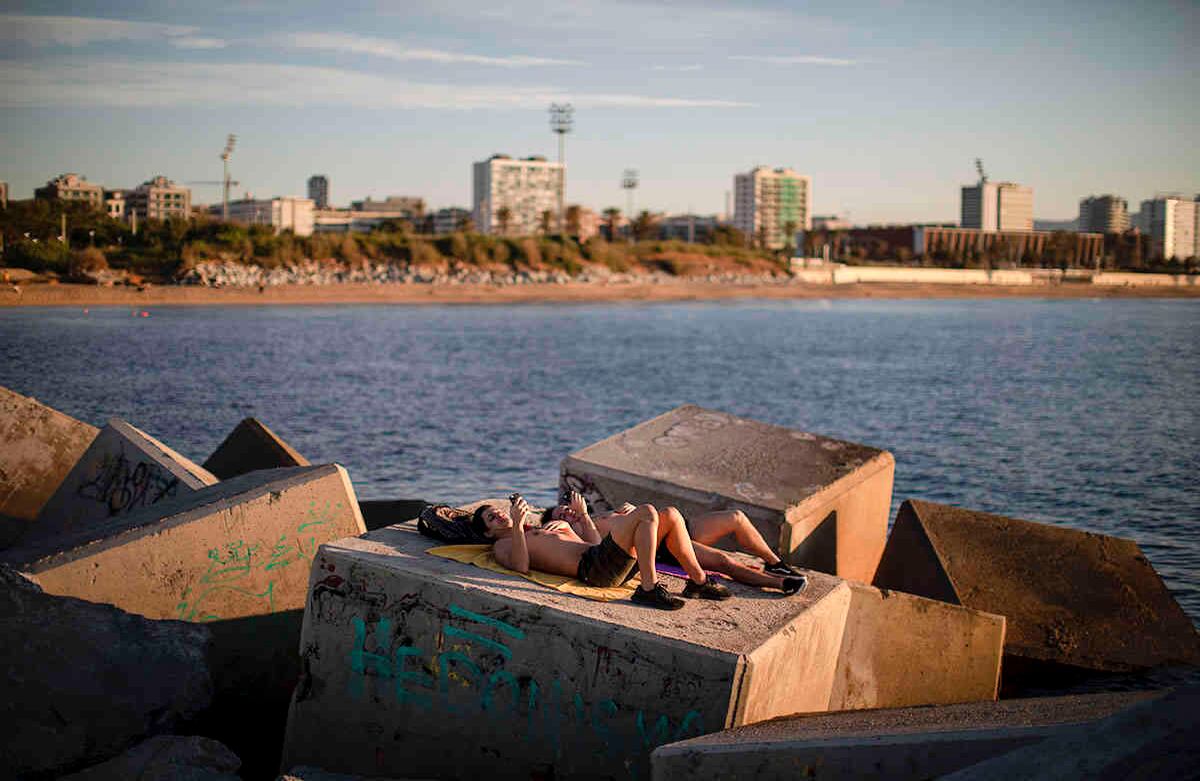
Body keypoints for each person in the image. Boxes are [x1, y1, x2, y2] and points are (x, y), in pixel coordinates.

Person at [472, 492, 730, 611]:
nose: (499, 515)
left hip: (602, 558)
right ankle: (648, 590)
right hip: (592, 570)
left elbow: (595, 543)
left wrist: (583, 517)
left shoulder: (542, 528)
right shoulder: (502, 545)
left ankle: (698, 582)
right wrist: (517, 524)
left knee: (671, 515)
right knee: (647, 512)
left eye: (498, 512)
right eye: (491, 518)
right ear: (487, 532)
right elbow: (520, 567)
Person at [544, 501, 806, 595]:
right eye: (562, 514)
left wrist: (630, 510)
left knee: (735, 517)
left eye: (566, 507)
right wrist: (582, 521)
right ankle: (780, 584)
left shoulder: (600, 515)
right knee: (724, 562)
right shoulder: (579, 533)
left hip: (671, 527)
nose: (568, 512)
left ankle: (775, 563)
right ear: (557, 523)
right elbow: (606, 554)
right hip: (662, 545)